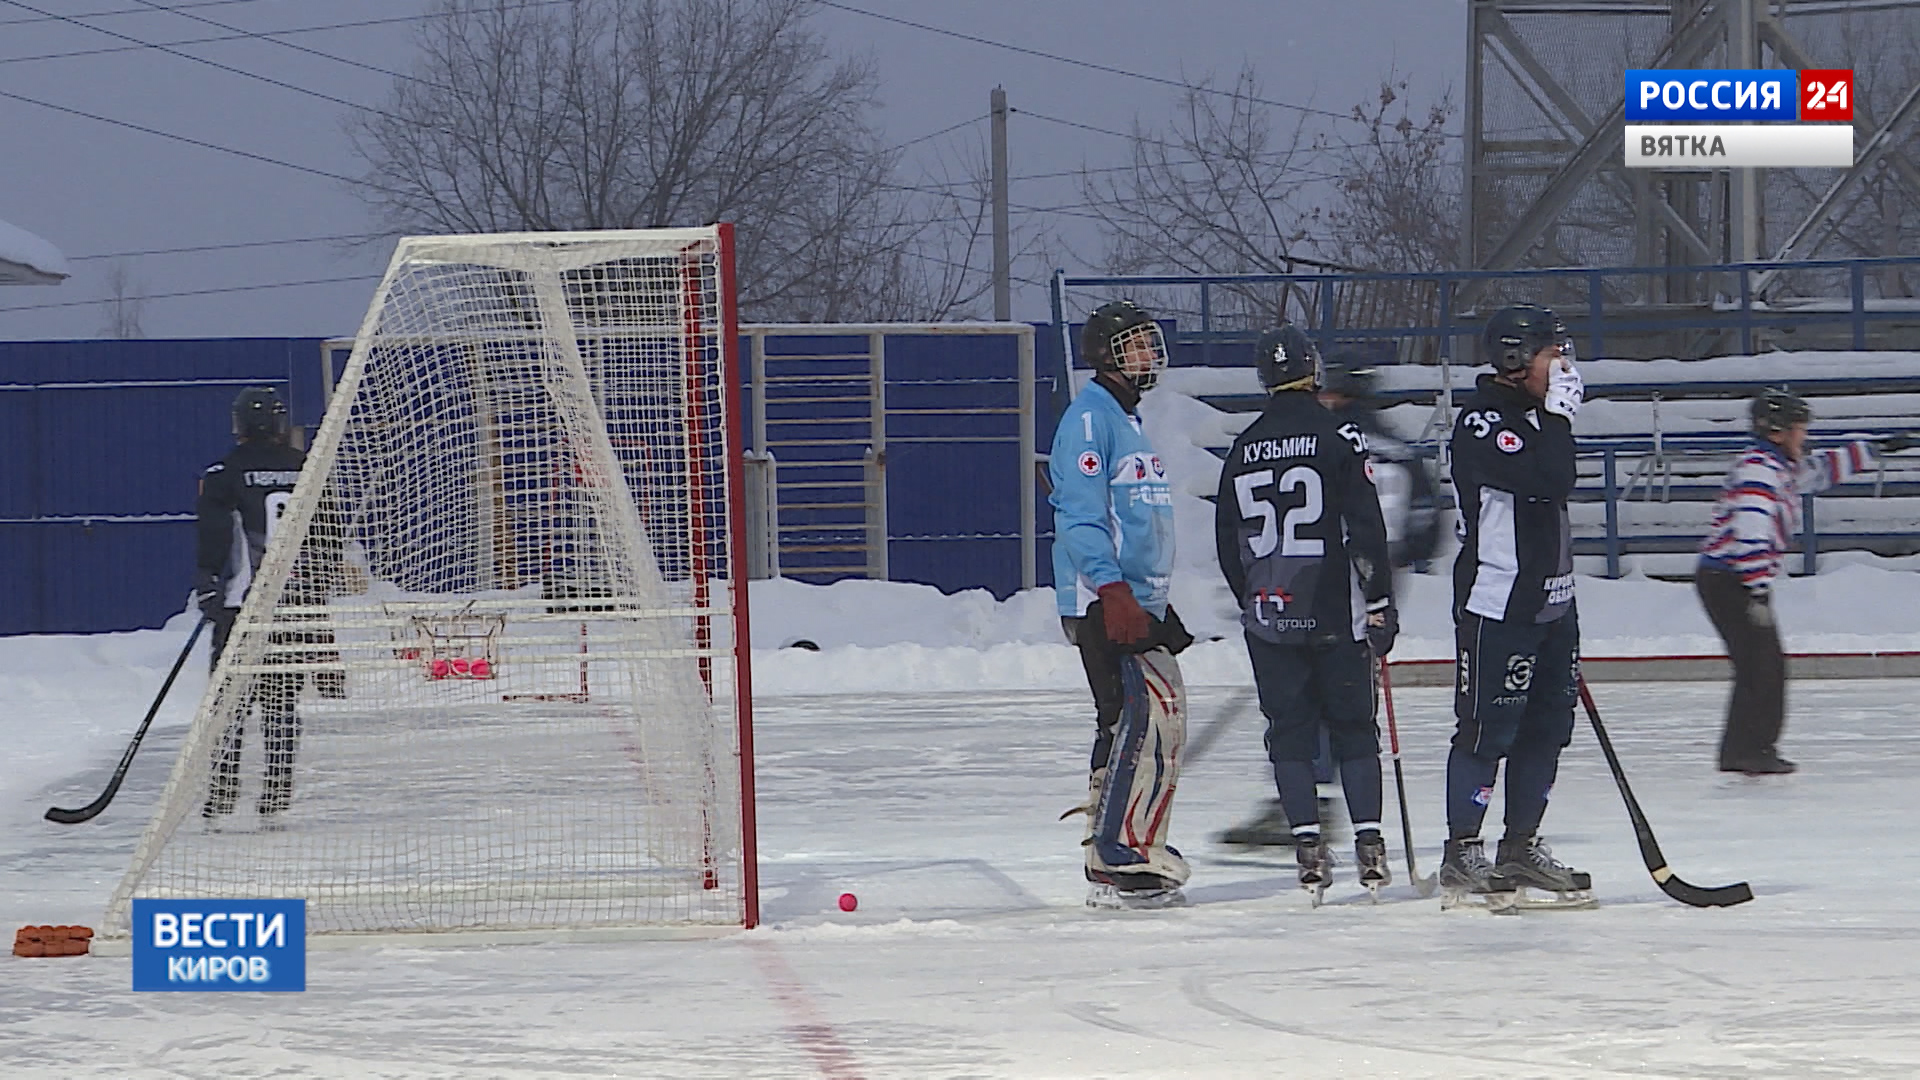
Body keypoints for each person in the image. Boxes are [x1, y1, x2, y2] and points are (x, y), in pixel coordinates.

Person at [1214, 324, 1398, 901]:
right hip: (1332, 610)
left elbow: (1228, 543)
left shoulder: (1243, 448)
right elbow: (1365, 525)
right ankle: (1369, 846)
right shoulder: (1340, 434)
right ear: (1312, 371)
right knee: (1353, 731)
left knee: (1288, 736)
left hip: (1271, 612)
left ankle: (1308, 850)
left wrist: (1254, 596)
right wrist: (1381, 602)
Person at [1440, 304, 1592, 909]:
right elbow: (1551, 479)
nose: (1562, 365)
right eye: (1550, 353)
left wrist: (1551, 416)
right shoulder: (1483, 421)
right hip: (1498, 603)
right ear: (1513, 357)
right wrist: (1556, 417)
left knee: (1548, 729)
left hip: (1553, 602)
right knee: (1485, 730)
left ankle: (1520, 845)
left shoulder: (1536, 416)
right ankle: (1462, 850)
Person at [1051, 300, 1196, 910]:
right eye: (1135, 345)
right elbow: (1080, 518)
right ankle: (1120, 852)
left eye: (1148, 343)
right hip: (1108, 601)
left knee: (1135, 719)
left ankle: (1113, 849)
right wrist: (1110, 590)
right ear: (1107, 356)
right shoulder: (1089, 420)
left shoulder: (1127, 421)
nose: (1147, 355)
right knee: (1147, 715)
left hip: (1140, 598)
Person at [1696, 390, 1896, 775]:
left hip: (1734, 577)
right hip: (1730, 578)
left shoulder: (1778, 465)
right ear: (1777, 432)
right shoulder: (1759, 471)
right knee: (1763, 665)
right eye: (1799, 429)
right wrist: (1756, 590)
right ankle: (1749, 751)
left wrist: (1874, 450)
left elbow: (1819, 471)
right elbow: (1750, 531)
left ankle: (1742, 749)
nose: (1804, 437)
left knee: (1760, 664)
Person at [192, 386, 314, 823]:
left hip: (241, 605)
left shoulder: (224, 472)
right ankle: (277, 791)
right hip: (294, 605)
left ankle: (223, 792)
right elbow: (327, 535)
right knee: (281, 701)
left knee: (230, 701)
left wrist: (206, 583)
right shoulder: (306, 468)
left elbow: (215, 534)